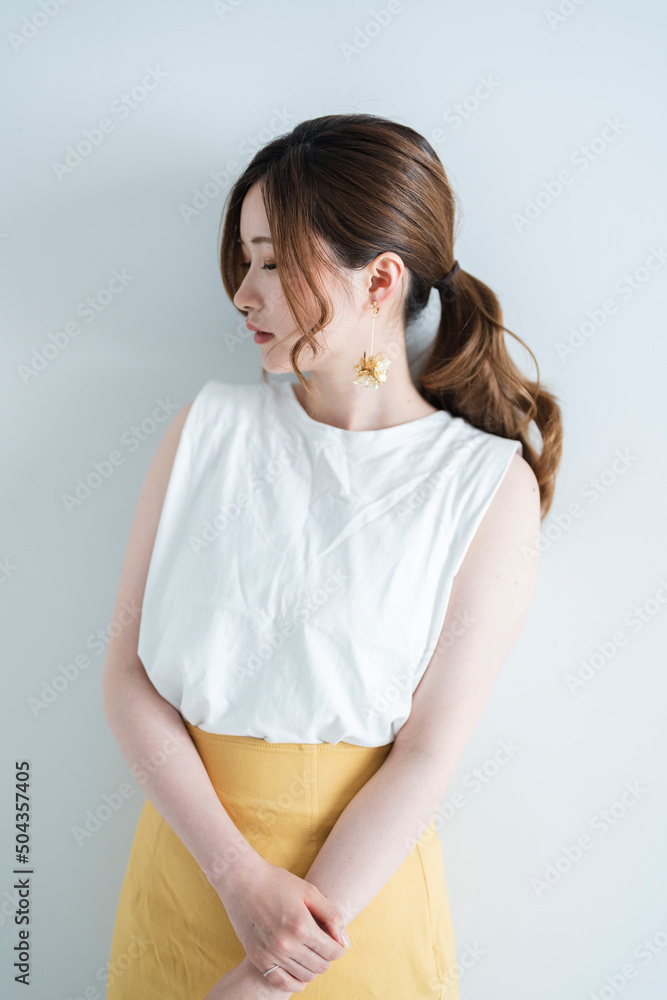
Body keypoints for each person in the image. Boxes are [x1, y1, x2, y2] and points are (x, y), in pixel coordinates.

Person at [103, 112, 562, 999]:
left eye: (274, 263)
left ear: (380, 279)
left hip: (352, 925)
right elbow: (126, 676)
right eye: (245, 261)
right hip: (183, 884)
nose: (244, 293)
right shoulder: (207, 431)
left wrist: (267, 975)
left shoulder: (484, 485)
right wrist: (237, 879)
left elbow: (426, 753)